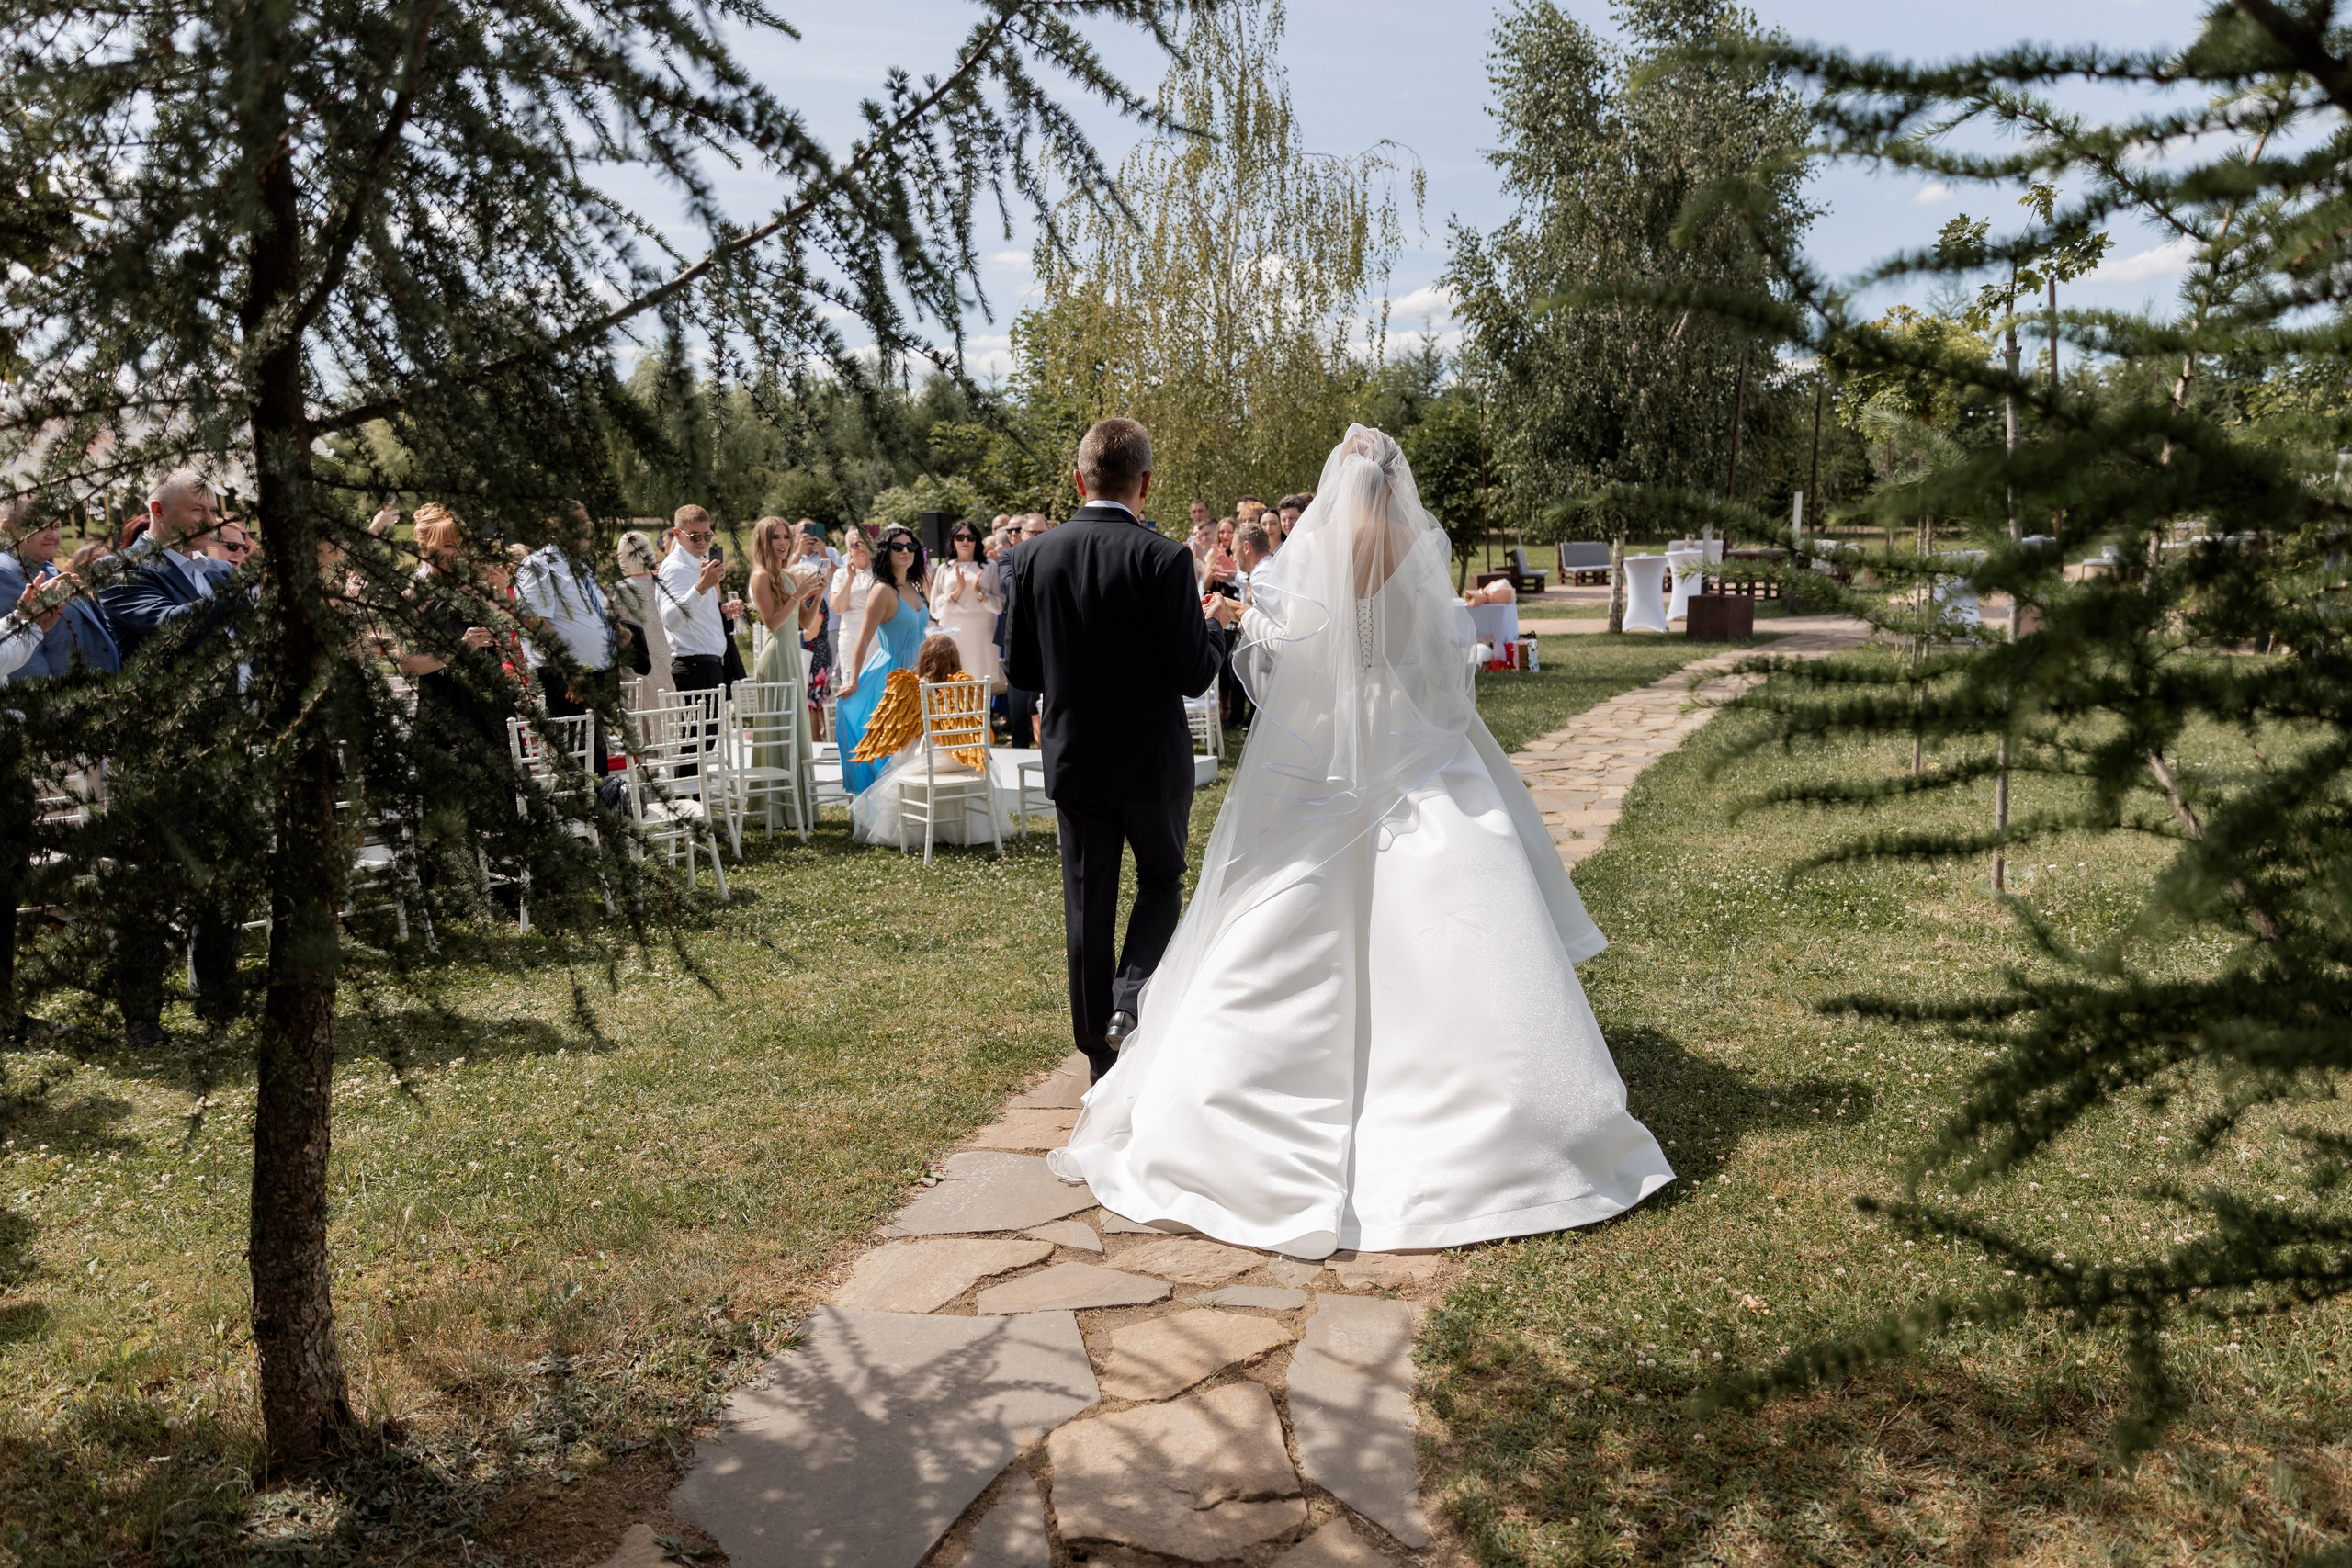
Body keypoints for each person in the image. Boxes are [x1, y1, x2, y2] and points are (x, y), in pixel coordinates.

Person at [1048, 426, 1672, 1258]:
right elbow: (1443, 662)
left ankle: (1232, 1103)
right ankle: (1491, 1102)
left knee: (1274, 908)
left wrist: (1255, 624)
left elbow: (1281, 659)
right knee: (1455, 904)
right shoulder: (1417, 546)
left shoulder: (1316, 548)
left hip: (1327, 747)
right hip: (1410, 741)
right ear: (1395, 483)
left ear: (1341, 481)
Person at [1006, 417, 1233, 1083]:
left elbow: (1022, 673)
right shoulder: (1163, 558)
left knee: (1087, 899)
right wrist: (1214, 629)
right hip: (1150, 760)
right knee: (1161, 878)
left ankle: (1095, 1051)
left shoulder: (1029, 557)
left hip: (1075, 755)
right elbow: (1194, 673)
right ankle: (1130, 1001)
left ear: (1079, 480)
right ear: (1146, 482)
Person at [846, 632, 1012, 848]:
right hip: (963, 755)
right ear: (955, 659)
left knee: (903, 765)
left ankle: (922, 830)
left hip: (930, 760)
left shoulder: (916, 686)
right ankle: (963, 830)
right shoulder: (966, 687)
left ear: (924, 659)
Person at [514, 502, 619, 770]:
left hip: (592, 674)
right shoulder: (538, 565)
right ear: (554, 528)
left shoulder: (580, 565)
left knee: (595, 760)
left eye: (586, 520)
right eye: (576, 522)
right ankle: (581, 811)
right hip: (564, 675)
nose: (585, 527)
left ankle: (599, 808)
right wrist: (570, 670)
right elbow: (533, 620)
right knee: (577, 761)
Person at [97, 469, 235, 664]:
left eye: (212, 511)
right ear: (158, 510)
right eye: (197, 510)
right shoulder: (121, 569)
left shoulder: (222, 571)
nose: (211, 521)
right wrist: (237, 592)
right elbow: (169, 626)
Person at [835, 525, 931, 795]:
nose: (905, 552)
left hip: (920, 674)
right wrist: (853, 680)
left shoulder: (913, 587)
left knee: (918, 745)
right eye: (897, 547)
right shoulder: (882, 591)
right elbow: (864, 638)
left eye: (910, 548)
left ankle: (921, 806)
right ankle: (889, 807)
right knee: (896, 743)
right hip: (894, 675)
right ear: (885, 552)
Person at [0, 499, 118, 678]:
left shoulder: (44, 567)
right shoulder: (5, 574)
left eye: (55, 527)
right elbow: (20, 657)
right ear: (8, 529)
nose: (52, 535)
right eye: (40, 526)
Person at [657, 503, 742, 698]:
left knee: (714, 730)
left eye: (707, 535)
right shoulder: (674, 568)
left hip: (709, 666)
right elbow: (670, 620)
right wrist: (702, 586)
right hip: (694, 669)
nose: (702, 541)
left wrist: (722, 611)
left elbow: (697, 612)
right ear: (677, 534)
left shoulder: (699, 563)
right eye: (695, 536)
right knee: (699, 730)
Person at [928, 517, 1001, 689]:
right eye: (960, 537)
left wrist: (979, 592)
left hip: (982, 631)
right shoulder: (944, 568)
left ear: (977, 541)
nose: (965, 541)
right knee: (953, 682)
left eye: (970, 537)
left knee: (980, 683)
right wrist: (956, 592)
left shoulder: (990, 566)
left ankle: (981, 717)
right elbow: (935, 607)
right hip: (953, 630)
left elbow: (1000, 604)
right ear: (953, 541)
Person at [610, 529, 676, 713]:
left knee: (638, 717)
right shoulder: (665, 586)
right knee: (666, 713)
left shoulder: (618, 591)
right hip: (666, 654)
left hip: (636, 662)